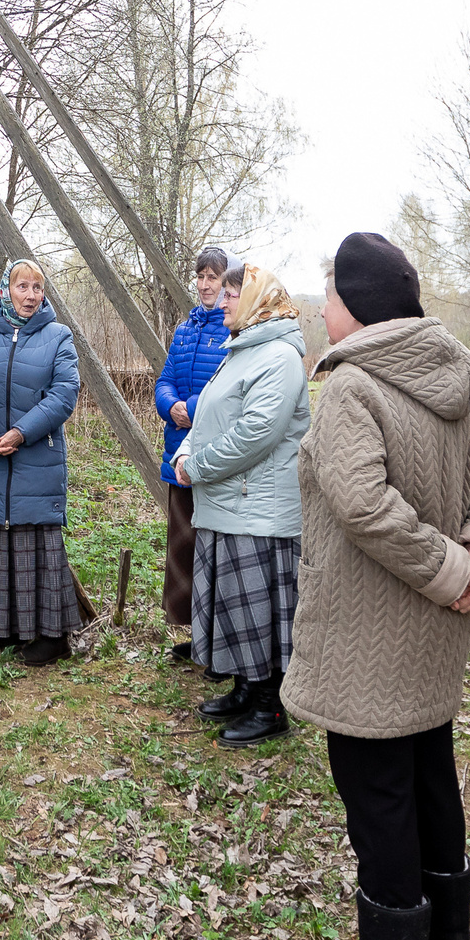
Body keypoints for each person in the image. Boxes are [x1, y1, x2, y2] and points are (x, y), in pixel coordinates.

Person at [282, 232, 470, 940]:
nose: (322, 309)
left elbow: (363, 505)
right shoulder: (451, 379)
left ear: (358, 304)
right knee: (429, 780)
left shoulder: (353, 386)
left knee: (379, 795)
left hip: (367, 639)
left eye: (330, 295)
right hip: (433, 638)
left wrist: (457, 568)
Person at [172, 264, 309, 745]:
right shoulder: (241, 350)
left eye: (233, 294)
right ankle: (246, 688)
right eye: (225, 293)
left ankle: (271, 708)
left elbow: (256, 434)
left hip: (259, 511)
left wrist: (198, 466)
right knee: (235, 606)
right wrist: (184, 453)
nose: (224, 301)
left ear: (257, 301)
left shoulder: (280, 357)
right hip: (231, 505)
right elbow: (208, 416)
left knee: (258, 612)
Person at [0, 258, 82, 666]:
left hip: (36, 458)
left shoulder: (58, 336)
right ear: (5, 289)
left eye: (37, 287)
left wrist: (21, 433)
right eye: (22, 286)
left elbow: (65, 393)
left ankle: (52, 637)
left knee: (36, 542)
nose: (30, 295)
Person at [154, 246, 233, 665]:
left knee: (214, 550)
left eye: (213, 277)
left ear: (227, 282)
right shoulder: (185, 330)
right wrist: (172, 406)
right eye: (200, 276)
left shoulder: (235, 329)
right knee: (186, 552)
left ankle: (220, 640)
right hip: (178, 454)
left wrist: (195, 408)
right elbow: (165, 379)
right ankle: (198, 637)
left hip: (214, 457)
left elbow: (231, 388)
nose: (204, 285)